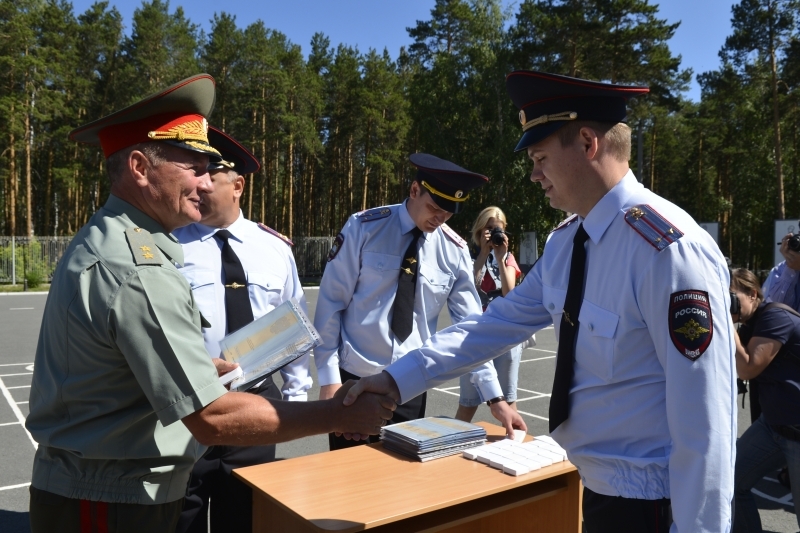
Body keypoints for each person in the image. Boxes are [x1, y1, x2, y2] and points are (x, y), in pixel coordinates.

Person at [342, 71, 737, 532]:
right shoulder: (567, 243)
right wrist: (395, 380)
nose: (533, 174)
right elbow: (491, 326)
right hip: (594, 490)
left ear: (587, 143)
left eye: (540, 158)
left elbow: (706, 422)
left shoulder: (666, 251)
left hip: (651, 506)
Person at [25, 74, 395, 532]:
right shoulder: (139, 267)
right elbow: (211, 419)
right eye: (194, 168)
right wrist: (338, 412)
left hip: (109, 487)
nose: (206, 184)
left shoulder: (118, 240)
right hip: (111, 498)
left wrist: (198, 368)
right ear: (140, 167)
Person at [314, 153, 526, 450]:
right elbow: (330, 304)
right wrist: (329, 379)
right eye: (434, 207)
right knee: (347, 474)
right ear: (414, 190)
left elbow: (471, 328)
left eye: (449, 213)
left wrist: (495, 398)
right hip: (354, 382)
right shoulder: (364, 228)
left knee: (404, 476)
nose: (440, 218)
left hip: (409, 388)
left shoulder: (452, 250)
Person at [172, 127, 312, 532]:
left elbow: (294, 324)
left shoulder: (275, 249)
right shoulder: (169, 244)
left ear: (238, 185)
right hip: (193, 401)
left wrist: (295, 399)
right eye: (195, 174)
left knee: (245, 517)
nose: (198, 186)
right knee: (183, 515)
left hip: (256, 401)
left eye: (209, 176)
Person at [730, 268, 800, 532]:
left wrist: (725, 324)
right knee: (730, 482)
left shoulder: (775, 317)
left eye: (731, 298)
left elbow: (747, 368)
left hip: (797, 430)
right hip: (772, 426)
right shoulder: (751, 324)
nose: (728, 305)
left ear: (752, 293)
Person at [455, 206, 522, 423]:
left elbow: (509, 294)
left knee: (508, 402)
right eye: (489, 229)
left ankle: (514, 441)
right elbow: (465, 289)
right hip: (475, 333)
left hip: (504, 332)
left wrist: (500, 258)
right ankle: (454, 440)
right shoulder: (469, 257)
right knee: (468, 402)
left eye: (498, 229)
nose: (494, 234)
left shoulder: (508, 258)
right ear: (480, 230)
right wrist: (483, 254)